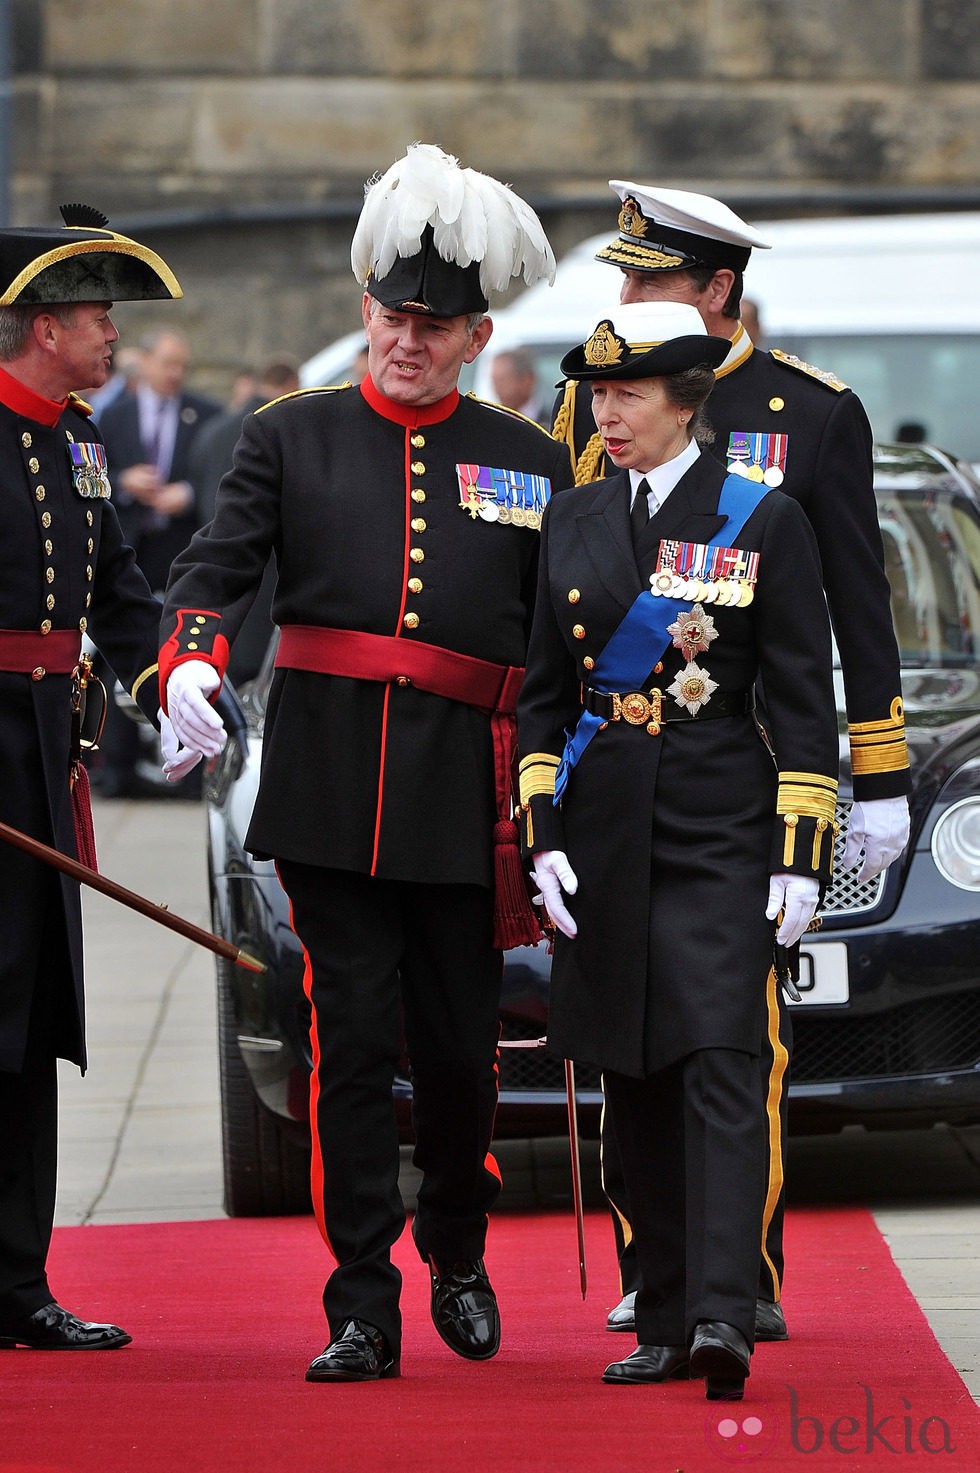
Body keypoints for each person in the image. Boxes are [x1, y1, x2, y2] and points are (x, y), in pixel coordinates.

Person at [158, 143, 573, 1382]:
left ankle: (455, 1245)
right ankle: (359, 1299)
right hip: (331, 782)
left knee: (457, 1050)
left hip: (464, 790)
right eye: (392, 317)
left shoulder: (528, 456)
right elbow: (218, 569)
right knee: (346, 1049)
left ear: (471, 334)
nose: (406, 340)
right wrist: (188, 657)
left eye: (432, 325)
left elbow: (562, 632)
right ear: (364, 315)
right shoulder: (288, 437)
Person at [551, 182, 912, 1342]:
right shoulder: (596, 407)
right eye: (622, 281)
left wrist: (880, 777)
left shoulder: (810, 412)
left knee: (727, 1042)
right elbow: (567, 611)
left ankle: (735, 1274)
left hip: (734, 784)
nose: (627, 303)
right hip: (612, 784)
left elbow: (852, 615)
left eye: (651, 284)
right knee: (626, 1040)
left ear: (714, 292)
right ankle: (653, 1268)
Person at [518, 300, 839, 1397]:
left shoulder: (761, 517)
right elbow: (541, 698)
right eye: (597, 394)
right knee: (632, 1070)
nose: (606, 415)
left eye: (630, 395)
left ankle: (722, 1312)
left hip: (720, 826)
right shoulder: (568, 519)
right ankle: (657, 1312)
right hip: (604, 830)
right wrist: (541, 832)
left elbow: (802, 701)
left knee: (717, 1060)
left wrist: (800, 852)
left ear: (685, 402)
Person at [0, 204, 196, 1351]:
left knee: (29, 1027)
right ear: (39, 325)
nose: (112, 335)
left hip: (40, 761)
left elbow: (117, 591)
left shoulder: (75, 438)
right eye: (95, 315)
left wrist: (167, 679)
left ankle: (20, 1281)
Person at [93, 328, 221, 796]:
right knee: (119, 657)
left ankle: (190, 767)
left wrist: (181, 494)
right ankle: (118, 768)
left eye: (181, 365)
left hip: (179, 554)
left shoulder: (205, 414)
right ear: (145, 362)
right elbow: (95, 475)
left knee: (182, 652)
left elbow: (213, 476)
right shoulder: (111, 415)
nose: (175, 374)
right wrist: (126, 483)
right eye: (167, 363)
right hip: (128, 552)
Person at [188, 354, 302, 686]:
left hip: (212, 583)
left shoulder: (213, 431)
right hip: (266, 587)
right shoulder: (283, 431)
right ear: (290, 387)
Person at [489, 346, 549, 426]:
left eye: (503, 380)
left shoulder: (552, 425)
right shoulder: (491, 425)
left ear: (527, 380)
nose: (497, 388)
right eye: (495, 381)